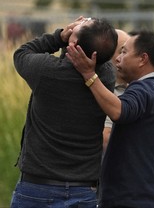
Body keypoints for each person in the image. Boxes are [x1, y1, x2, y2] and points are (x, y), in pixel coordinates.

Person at [10, 16, 118, 207]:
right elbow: (99, 60)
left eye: (84, 23)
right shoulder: (106, 78)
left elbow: (22, 53)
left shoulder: (45, 71)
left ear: (73, 44)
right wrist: (75, 42)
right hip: (84, 191)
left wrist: (59, 37)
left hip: (37, 189)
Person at [66, 30, 154, 207]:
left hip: (133, 198)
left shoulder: (143, 89)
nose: (117, 58)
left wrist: (89, 75)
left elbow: (119, 110)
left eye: (124, 52)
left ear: (143, 59)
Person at [102, 29, 130, 154]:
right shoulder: (103, 90)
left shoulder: (141, 85)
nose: (127, 57)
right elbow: (106, 138)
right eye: (122, 51)